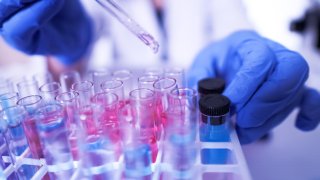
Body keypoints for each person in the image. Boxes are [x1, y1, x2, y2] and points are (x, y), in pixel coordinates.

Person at [0, 0, 319, 144]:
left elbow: (237, 31)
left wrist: (254, 72)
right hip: (132, 136)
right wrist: (66, 53)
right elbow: (66, 78)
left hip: (197, 136)